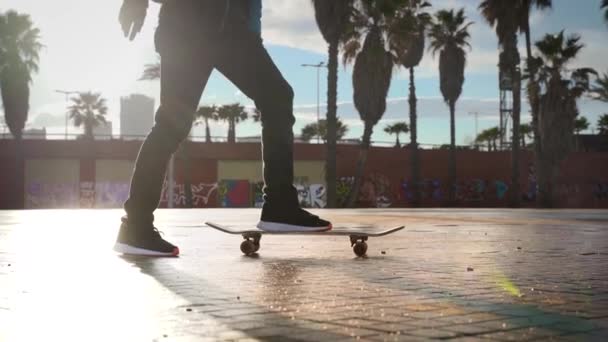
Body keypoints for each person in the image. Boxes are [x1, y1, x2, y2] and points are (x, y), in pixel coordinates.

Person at [114, 0, 331, 257]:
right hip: (188, 25)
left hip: (231, 30)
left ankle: (280, 205)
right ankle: (136, 226)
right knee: (171, 125)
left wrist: (252, 35)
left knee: (277, 97)